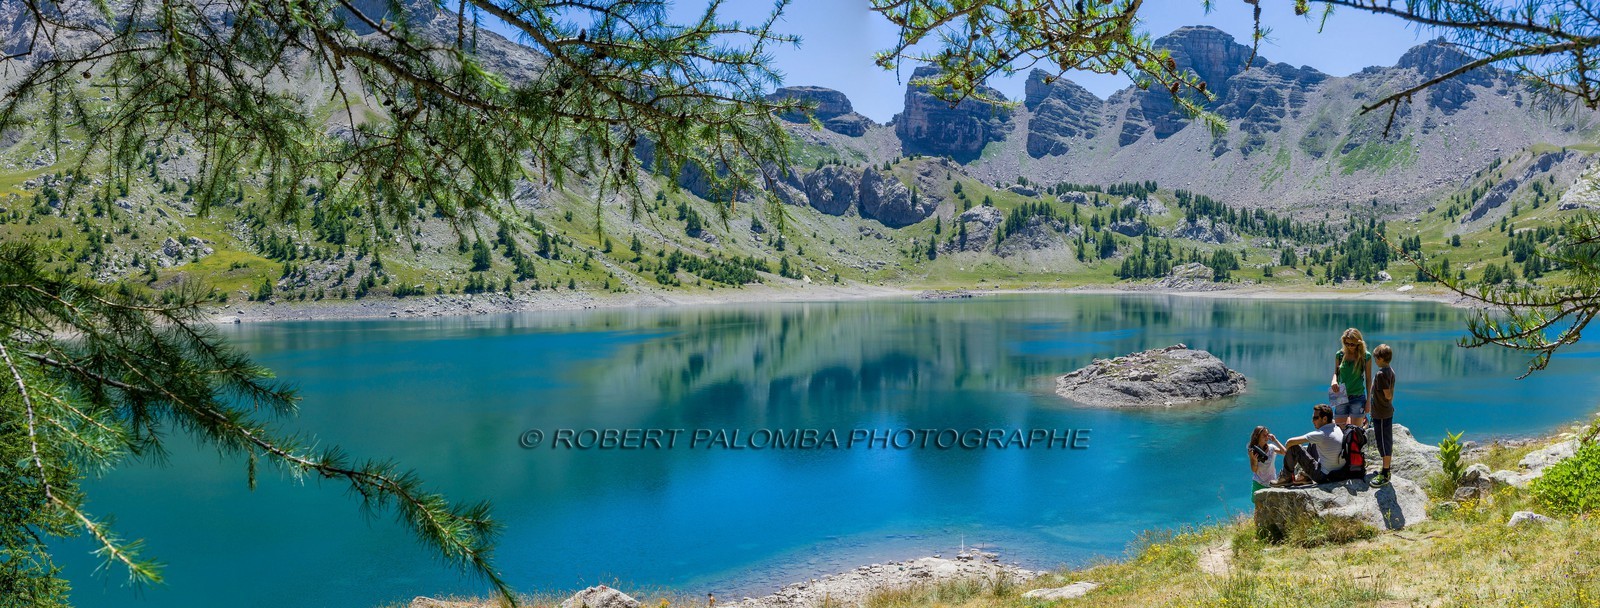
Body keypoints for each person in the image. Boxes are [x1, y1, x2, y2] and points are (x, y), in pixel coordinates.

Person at [1281, 404, 1361, 484]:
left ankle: (1285, 478)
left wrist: (1287, 452)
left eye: (1315, 418)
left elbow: (1289, 442)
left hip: (1323, 476)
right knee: (1312, 443)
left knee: (1294, 447)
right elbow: (1332, 421)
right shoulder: (1337, 428)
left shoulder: (1320, 434)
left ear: (1325, 419)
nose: (1313, 421)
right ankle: (1306, 476)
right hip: (1340, 473)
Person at [1331, 328, 1373, 427]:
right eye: (1347, 343)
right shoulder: (1340, 354)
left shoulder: (1365, 356)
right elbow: (1336, 373)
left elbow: (1368, 379)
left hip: (1357, 396)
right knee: (1339, 430)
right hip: (1340, 395)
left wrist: (1368, 402)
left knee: (1356, 431)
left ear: (1359, 343)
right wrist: (1333, 381)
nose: (1350, 346)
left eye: (1352, 344)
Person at [1369, 344, 1397, 486]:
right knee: (1385, 441)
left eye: (1375, 357)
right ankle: (1385, 469)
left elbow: (1387, 394)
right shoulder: (1390, 370)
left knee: (1383, 443)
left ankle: (1385, 473)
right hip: (1384, 412)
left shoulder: (1381, 374)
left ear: (1380, 358)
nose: (1375, 360)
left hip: (1381, 413)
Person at [1247, 426, 1287, 494]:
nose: (1267, 437)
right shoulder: (1252, 451)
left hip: (1272, 482)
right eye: (1264, 435)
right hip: (1258, 483)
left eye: (1267, 435)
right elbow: (1254, 470)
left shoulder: (1271, 448)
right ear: (1257, 436)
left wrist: (1275, 440)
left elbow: (1285, 452)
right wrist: (1255, 460)